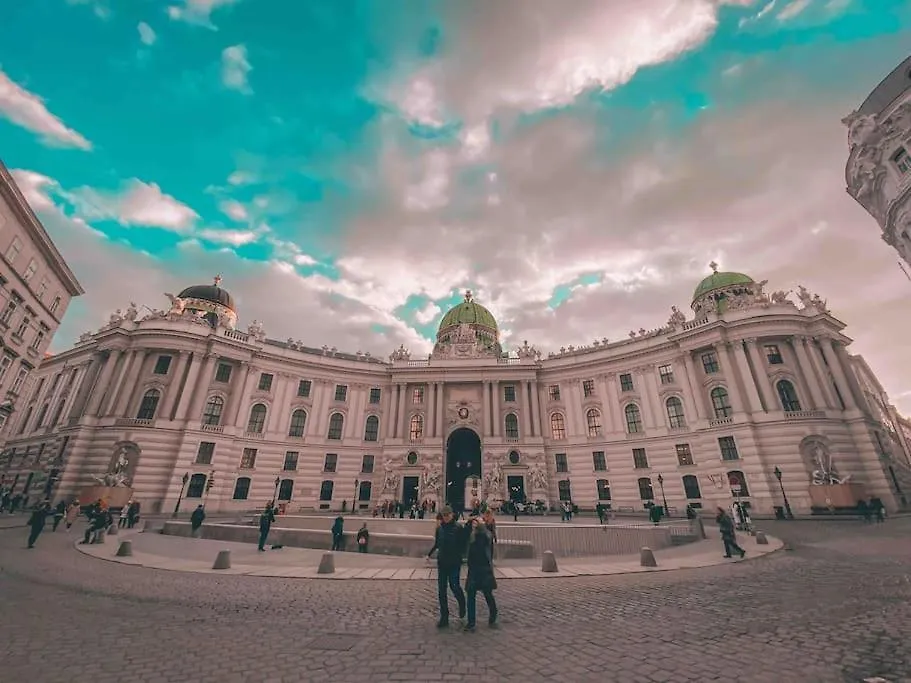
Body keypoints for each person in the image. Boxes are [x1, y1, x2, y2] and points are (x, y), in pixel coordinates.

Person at [427, 506, 467, 628]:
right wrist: (429, 554)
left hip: (454, 562)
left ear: (452, 515)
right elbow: (437, 544)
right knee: (441, 591)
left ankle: (462, 602)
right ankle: (444, 617)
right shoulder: (439, 529)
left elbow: (464, 544)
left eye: (448, 515)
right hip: (442, 562)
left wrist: (461, 555)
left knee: (454, 586)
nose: (446, 517)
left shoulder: (459, 528)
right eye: (444, 515)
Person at [463, 518, 498, 631]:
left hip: (483, 568)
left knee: (487, 593)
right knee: (471, 594)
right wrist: (469, 524)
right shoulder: (473, 535)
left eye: (476, 523)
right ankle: (471, 621)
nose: (474, 525)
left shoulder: (483, 535)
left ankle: (493, 612)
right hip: (474, 569)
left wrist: (479, 528)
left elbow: (485, 548)